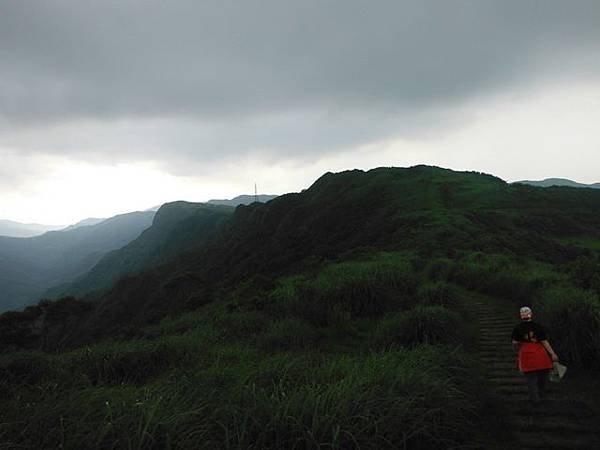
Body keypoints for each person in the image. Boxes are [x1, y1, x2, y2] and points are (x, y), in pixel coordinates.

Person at [511, 306, 559, 403]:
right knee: (542, 377)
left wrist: (517, 350)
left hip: (526, 354)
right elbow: (544, 341)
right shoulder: (538, 326)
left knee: (530, 378)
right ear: (531, 314)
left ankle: (535, 399)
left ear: (521, 316)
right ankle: (542, 396)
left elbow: (515, 343)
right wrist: (552, 354)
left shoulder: (517, 328)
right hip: (540, 353)